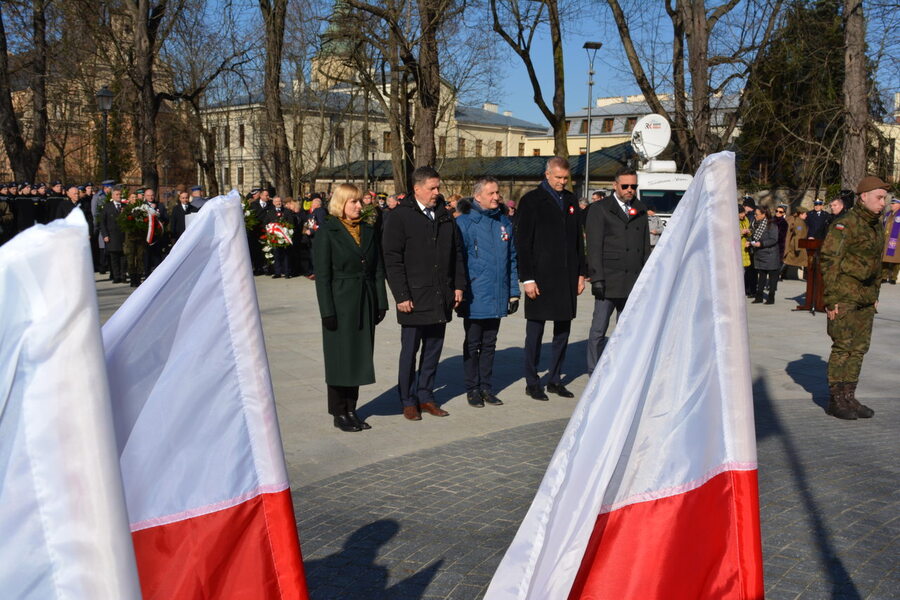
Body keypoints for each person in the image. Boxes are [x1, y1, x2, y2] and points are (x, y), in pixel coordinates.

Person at [382, 166, 465, 421]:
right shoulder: (400, 216)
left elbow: (457, 253)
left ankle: (426, 396)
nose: (437, 192)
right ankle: (408, 400)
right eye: (432, 188)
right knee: (410, 351)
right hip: (414, 297)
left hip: (440, 295)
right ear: (417, 189)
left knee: (433, 350)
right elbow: (392, 259)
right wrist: (401, 295)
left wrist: (458, 286)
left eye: (438, 187)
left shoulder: (444, 215)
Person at [313, 183, 388, 432]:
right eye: (353, 201)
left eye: (360, 201)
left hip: (365, 299)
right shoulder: (328, 231)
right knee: (340, 357)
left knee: (358, 356)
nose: (359, 205)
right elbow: (322, 276)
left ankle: (351, 408)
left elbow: (377, 269)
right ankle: (339, 411)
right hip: (340, 302)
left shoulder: (367, 229)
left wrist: (381, 302)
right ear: (341, 204)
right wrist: (327, 311)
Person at [515, 157, 586, 400]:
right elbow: (523, 243)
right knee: (535, 332)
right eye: (558, 177)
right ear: (547, 175)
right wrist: (527, 278)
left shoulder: (571, 200)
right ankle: (532, 381)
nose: (562, 182)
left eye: (565, 178)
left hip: (566, 276)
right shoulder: (531, 200)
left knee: (562, 332)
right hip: (540, 277)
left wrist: (581, 273)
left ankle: (555, 379)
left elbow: (578, 240)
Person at [820, 176, 888, 420]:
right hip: (845, 295)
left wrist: (875, 294)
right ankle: (836, 399)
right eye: (879, 197)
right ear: (864, 196)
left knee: (859, 348)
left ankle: (849, 396)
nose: (883, 203)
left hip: (866, 297)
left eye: (885, 198)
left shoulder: (876, 226)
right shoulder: (845, 224)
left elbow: (877, 264)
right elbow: (830, 262)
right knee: (843, 346)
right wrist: (831, 300)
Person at [455, 176, 520, 408]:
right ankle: (472, 388)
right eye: (491, 193)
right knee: (473, 343)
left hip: (498, 293)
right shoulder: (464, 223)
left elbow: (511, 259)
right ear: (477, 196)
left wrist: (513, 292)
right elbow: (457, 260)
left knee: (490, 343)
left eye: (497, 192)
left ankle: (486, 387)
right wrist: (460, 289)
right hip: (475, 293)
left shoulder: (503, 222)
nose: (496, 197)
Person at [584, 167, 650, 372]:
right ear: (615, 185)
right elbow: (594, 246)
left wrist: (647, 278)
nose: (630, 189)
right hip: (608, 279)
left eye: (633, 186)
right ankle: (594, 371)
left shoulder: (640, 208)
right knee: (599, 330)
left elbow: (645, 247)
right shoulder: (600, 208)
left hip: (632, 280)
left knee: (627, 330)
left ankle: (620, 371)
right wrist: (597, 278)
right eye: (625, 186)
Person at [748, 207, 781, 304]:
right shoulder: (754, 223)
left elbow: (774, 239)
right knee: (761, 276)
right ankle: (759, 297)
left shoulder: (772, 225)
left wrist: (761, 244)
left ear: (764, 214)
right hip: (759, 254)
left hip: (770, 254)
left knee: (772, 277)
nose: (755, 216)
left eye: (757, 214)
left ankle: (771, 297)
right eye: (755, 214)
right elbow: (752, 236)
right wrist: (749, 240)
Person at [99, 186, 127, 284]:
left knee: (123, 258)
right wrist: (105, 235)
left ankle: (123, 276)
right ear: (112, 196)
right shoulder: (107, 207)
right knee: (114, 258)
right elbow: (103, 222)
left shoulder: (125, 206)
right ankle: (116, 276)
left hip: (123, 236)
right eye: (117, 194)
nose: (119, 196)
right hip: (112, 236)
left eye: (120, 194)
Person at [783, 207, 808, 280]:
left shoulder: (798, 221)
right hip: (798, 244)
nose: (806, 216)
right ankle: (780, 272)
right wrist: (798, 247)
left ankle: (784, 274)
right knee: (790, 260)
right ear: (801, 214)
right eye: (805, 214)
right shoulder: (799, 223)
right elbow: (798, 235)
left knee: (790, 260)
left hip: (798, 244)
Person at [882, 197, 900, 284]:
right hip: (886, 240)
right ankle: (884, 277)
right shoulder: (888, 214)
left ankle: (893, 278)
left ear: (899, 205)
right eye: (891, 203)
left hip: (897, 240)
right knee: (885, 259)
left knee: (896, 260)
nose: (891, 205)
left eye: (893, 203)